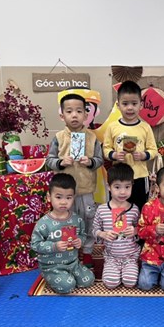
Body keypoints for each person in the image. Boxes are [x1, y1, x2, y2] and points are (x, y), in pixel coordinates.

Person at [46, 93, 104, 267]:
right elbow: (49, 160)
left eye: (79, 111)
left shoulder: (92, 138)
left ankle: (87, 253)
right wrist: (60, 162)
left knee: (88, 220)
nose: (74, 115)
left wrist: (91, 162)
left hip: (86, 190)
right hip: (64, 192)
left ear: (86, 115)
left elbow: (100, 160)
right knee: (67, 221)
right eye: (69, 111)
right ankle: (70, 255)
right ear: (62, 115)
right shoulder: (58, 138)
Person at [30, 173, 95, 294]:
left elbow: (82, 235)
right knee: (68, 286)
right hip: (52, 266)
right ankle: (49, 275)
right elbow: (35, 245)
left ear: (73, 198)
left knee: (89, 280)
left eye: (68, 198)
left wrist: (80, 241)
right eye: (59, 197)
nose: (64, 202)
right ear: (49, 197)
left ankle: (68, 274)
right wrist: (54, 246)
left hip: (73, 263)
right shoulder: (43, 223)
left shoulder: (77, 219)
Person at [103, 80, 158, 212]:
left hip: (140, 176)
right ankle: (118, 226)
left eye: (134, 103)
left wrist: (144, 155)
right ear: (118, 105)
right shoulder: (112, 127)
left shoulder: (145, 127)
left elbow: (153, 150)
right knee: (118, 210)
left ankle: (138, 226)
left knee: (140, 209)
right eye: (125, 103)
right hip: (118, 177)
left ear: (141, 105)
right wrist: (114, 155)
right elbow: (106, 149)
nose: (129, 108)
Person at [92, 163, 140, 289]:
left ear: (132, 186)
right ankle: (113, 269)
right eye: (117, 187)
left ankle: (129, 269)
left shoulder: (134, 209)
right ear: (109, 187)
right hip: (111, 256)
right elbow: (94, 229)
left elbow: (142, 229)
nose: (122, 192)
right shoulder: (102, 209)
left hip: (130, 256)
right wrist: (103, 234)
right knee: (110, 283)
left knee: (130, 282)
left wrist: (135, 231)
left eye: (127, 187)